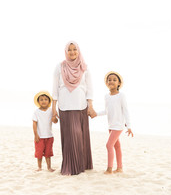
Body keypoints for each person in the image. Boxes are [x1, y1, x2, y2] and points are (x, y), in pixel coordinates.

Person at [52, 41, 96, 175]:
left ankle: (82, 165)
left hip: (81, 106)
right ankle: (70, 167)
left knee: (79, 136)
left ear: (79, 51)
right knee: (70, 138)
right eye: (69, 50)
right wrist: (53, 109)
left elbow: (89, 89)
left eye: (74, 49)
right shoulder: (59, 67)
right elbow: (55, 89)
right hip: (65, 107)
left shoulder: (84, 68)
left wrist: (90, 106)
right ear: (66, 52)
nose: (72, 52)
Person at [91, 71, 133, 174]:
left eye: (114, 80)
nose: (111, 81)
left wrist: (129, 126)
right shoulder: (107, 96)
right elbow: (106, 111)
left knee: (109, 145)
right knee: (116, 146)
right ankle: (119, 168)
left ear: (119, 83)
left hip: (118, 126)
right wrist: (96, 114)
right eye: (109, 80)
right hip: (110, 125)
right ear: (106, 83)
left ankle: (109, 169)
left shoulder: (121, 95)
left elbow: (125, 110)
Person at [32, 91, 58, 172]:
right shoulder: (36, 112)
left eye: (46, 99)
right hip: (40, 137)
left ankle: (49, 167)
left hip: (49, 136)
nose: (43, 101)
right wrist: (36, 135)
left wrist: (54, 117)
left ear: (49, 101)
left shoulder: (51, 111)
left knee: (48, 153)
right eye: (41, 99)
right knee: (39, 153)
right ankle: (39, 167)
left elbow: (55, 121)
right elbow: (34, 123)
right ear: (38, 102)